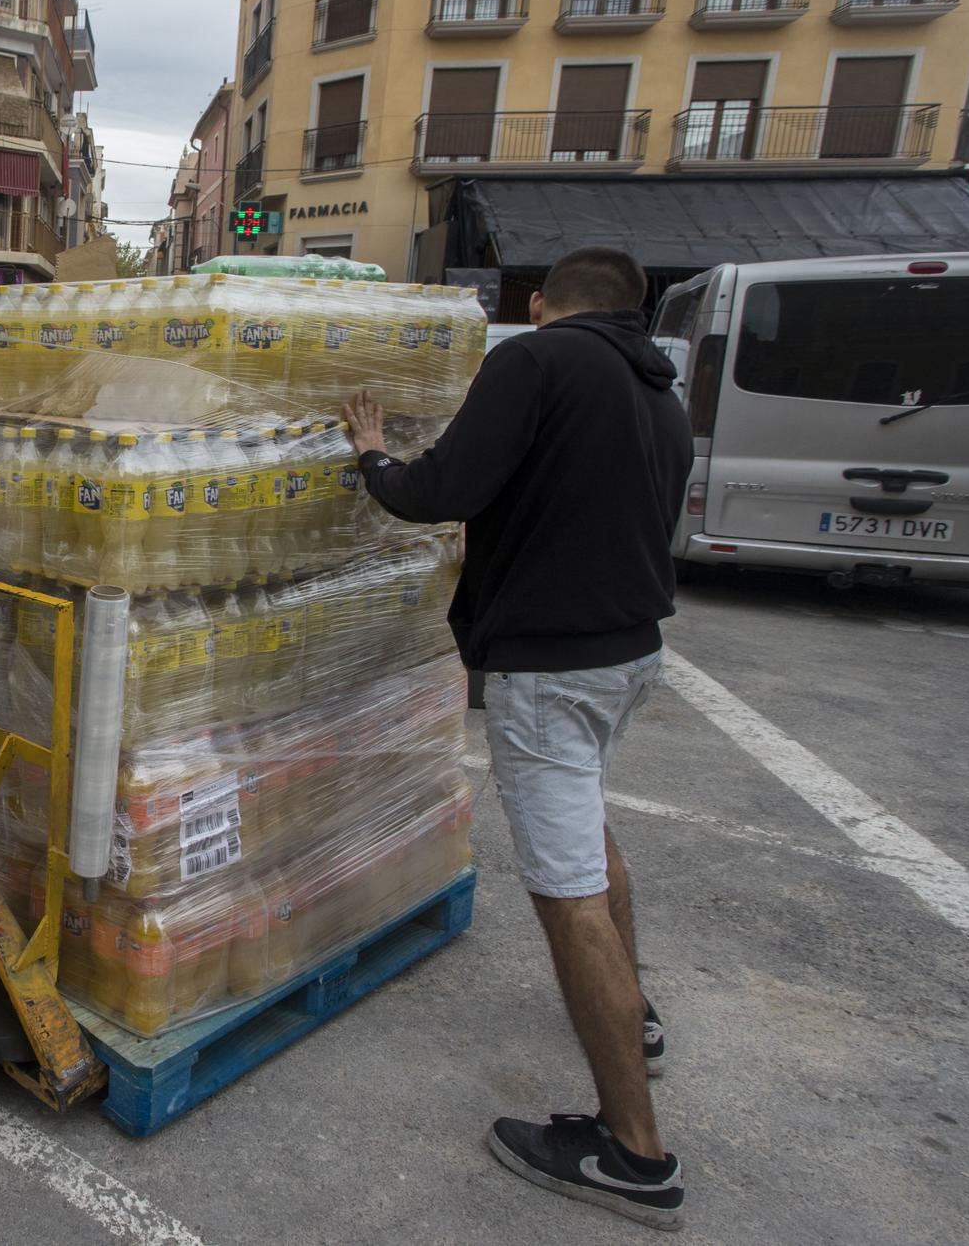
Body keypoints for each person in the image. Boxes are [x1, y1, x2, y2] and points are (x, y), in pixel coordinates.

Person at [346, 246, 692, 1231]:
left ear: (540, 305)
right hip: (630, 652)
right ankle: (639, 1013)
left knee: (561, 892)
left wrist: (373, 452)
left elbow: (434, 489)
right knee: (589, 831)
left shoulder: (535, 363)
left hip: (552, 665)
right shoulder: (655, 392)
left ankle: (634, 1154)